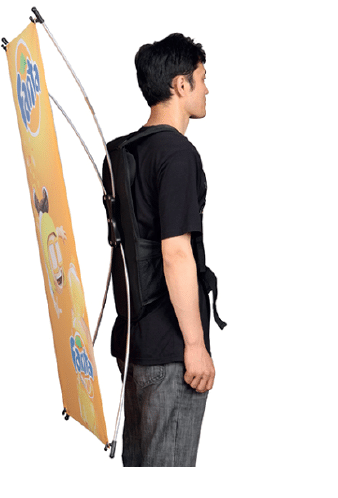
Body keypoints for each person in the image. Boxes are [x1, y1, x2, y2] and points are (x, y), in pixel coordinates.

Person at [107, 33, 226, 467]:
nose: (207, 88)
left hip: (134, 345)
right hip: (172, 350)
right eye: (202, 78)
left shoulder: (120, 153)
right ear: (180, 85)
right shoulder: (177, 154)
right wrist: (195, 344)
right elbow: (175, 252)